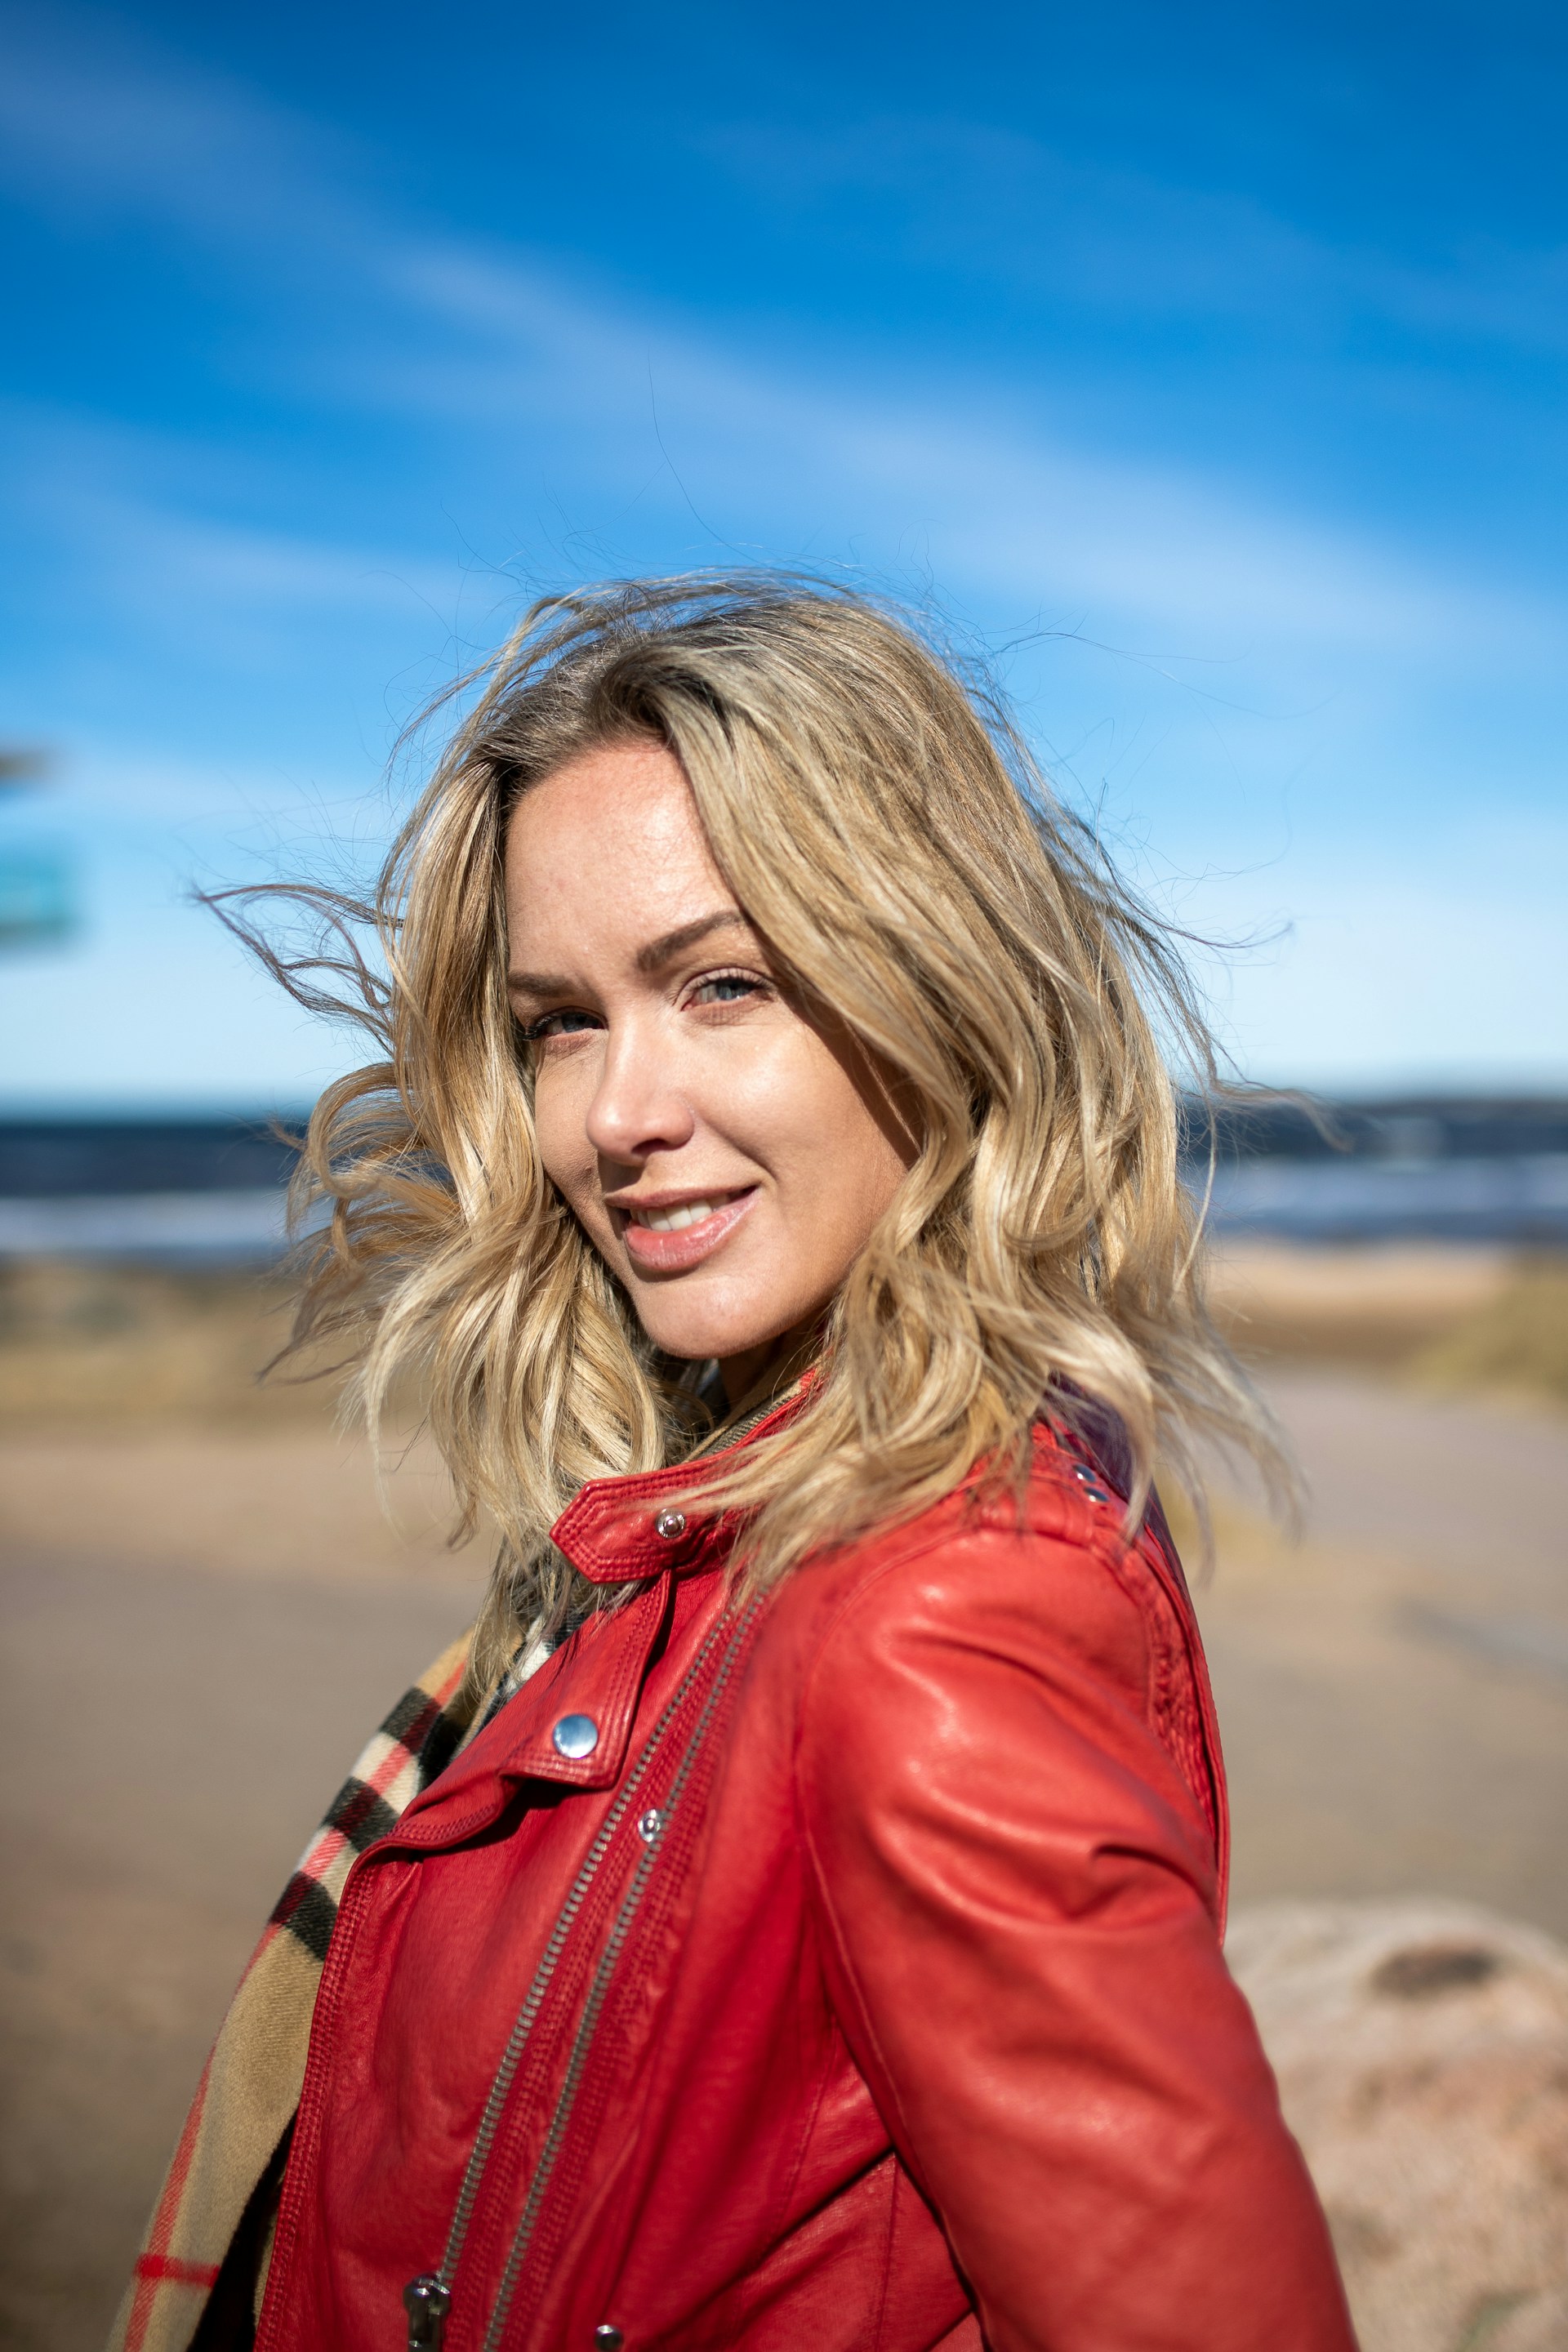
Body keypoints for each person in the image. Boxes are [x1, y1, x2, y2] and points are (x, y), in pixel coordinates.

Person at [114, 577, 1357, 2352]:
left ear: (934, 986)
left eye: (723, 985)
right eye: (565, 1019)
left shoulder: (944, 1610)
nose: (619, 1115)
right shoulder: (708, 1518)